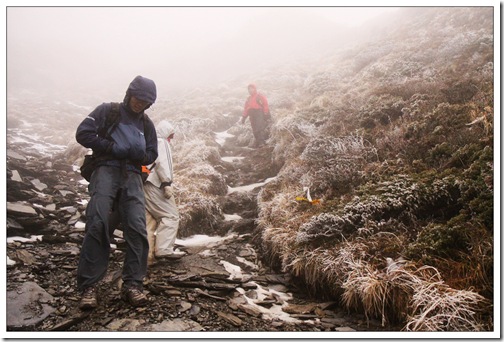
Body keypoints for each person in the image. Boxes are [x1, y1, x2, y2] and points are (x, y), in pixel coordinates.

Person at [75, 75, 158, 309]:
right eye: (138, 98)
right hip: (106, 170)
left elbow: (152, 152)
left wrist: (138, 155)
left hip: (132, 176)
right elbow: (83, 133)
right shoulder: (107, 111)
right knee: (98, 222)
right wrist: (111, 147)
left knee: (137, 228)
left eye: (145, 101)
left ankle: (133, 284)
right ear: (129, 93)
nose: (140, 103)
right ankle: (88, 287)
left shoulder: (146, 123)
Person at [144, 120, 185, 265]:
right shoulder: (161, 142)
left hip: (144, 182)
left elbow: (147, 165)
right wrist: (166, 183)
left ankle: (146, 256)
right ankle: (164, 250)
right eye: (171, 135)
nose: (171, 138)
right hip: (156, 183)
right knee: (170, 216)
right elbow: (162, 163)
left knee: (149, 220)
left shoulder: (148, 142)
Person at [240, 83, 271, 147]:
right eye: (249, 89)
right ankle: (258, 142)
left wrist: (265, 113)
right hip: (251, 114)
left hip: (259, 113)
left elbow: (265, 104)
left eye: (251, 89)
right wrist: (244, 117)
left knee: (259, 127)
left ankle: (261, 143)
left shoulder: (259, 96)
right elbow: (246, 108)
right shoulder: (248, 99)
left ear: (255, 89)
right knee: (254, 129)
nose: (250, 90)